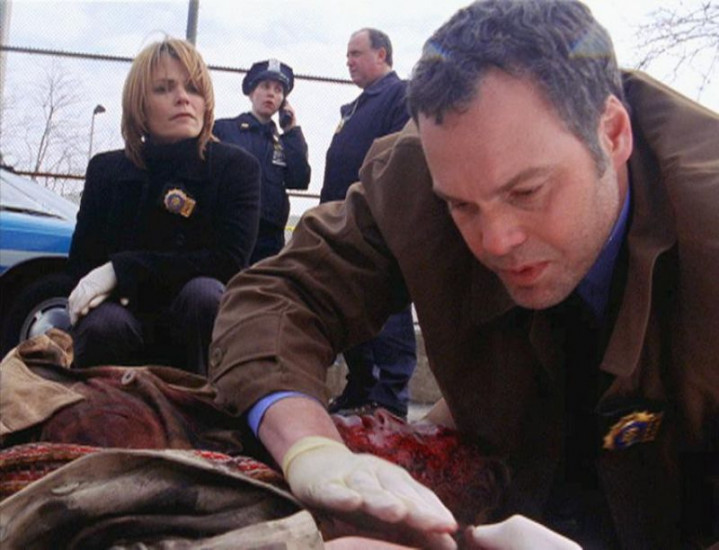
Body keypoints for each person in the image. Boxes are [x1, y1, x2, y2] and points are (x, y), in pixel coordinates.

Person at [210, 1, 719, 549]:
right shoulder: (420, 173)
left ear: (613, 134)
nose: (495, 241)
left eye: (526, 191)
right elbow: (281, 294)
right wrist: (310, 446)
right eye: (460, 205)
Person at [67, 38, 260, 375]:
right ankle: (101, 404)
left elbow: (227, 262)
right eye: (163, 88)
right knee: (103, 323)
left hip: (194, 328)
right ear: (139, 105)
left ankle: (206, 403)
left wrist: (122, 271)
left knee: (205, 295)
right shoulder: (106, 170)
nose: (183, 98)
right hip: (124, 320)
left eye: (193, 89)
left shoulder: (235, 168)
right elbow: (84, 262)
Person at [321, 27, 417, 419]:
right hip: (342, 221)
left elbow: (399, 157)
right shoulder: (357, 106)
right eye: (347, 54)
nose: (349, 61)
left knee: (387, 307)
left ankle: (389, 399)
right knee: (346, 305)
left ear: (382, 54)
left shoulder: (400, 95)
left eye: (356, 53)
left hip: (377, 222)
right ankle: (361, 385)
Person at [214, 59, 311, 264]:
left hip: (269, 240)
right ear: (251, 93)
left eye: (278, 90)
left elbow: (299, 179)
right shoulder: (224, 130)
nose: (271, 94)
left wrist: (291, 130)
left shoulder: (285, 141)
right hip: (229, 231)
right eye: (265, 86)